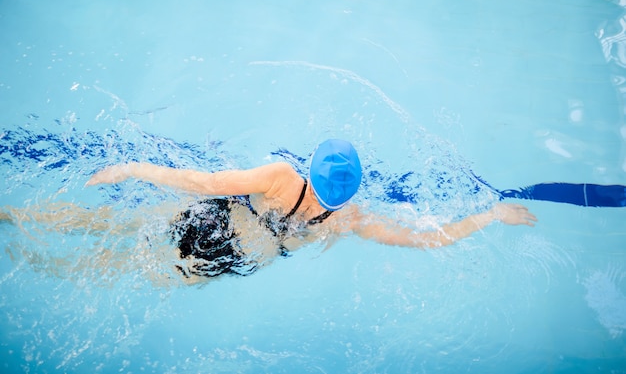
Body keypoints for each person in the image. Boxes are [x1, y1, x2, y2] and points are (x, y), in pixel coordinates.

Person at [80, 139, 537, 281]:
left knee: (106, 224)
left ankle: (13, 216)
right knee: (119, 269)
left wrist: (130, 167)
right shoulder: (351, 219)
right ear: (353, 190)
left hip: (213, 217)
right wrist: (490, 216)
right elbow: (422, 238)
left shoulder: (280, 176)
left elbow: (205, 183)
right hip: (234, 257)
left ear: (311, 169)